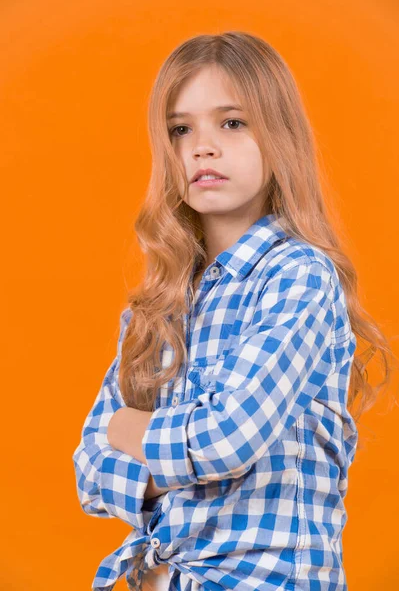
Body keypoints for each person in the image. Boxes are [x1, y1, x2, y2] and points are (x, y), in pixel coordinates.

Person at [72, 31, 398, 591]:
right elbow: (88, 473)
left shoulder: (297, 278)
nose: (202, 147)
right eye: (181, 129)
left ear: (280, 137)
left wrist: (130, 428)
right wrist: (167, 454)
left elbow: (227, 439)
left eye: (232, 122)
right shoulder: (157, 308)